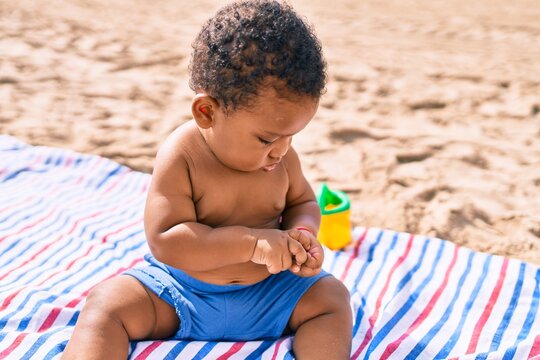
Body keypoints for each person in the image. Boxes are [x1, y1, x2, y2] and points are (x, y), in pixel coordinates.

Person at [62, 1, 352, 359]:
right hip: (181, 292)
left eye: (292, 136)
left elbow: (303, 203)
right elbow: (167, 240)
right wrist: (253, 244)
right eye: (266, 139)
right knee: (106, 304)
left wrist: (303, 235)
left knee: (332, 298)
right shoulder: (182, 155)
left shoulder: (282, 157)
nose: (281, 151)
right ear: (207, 112)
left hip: (270, 292)